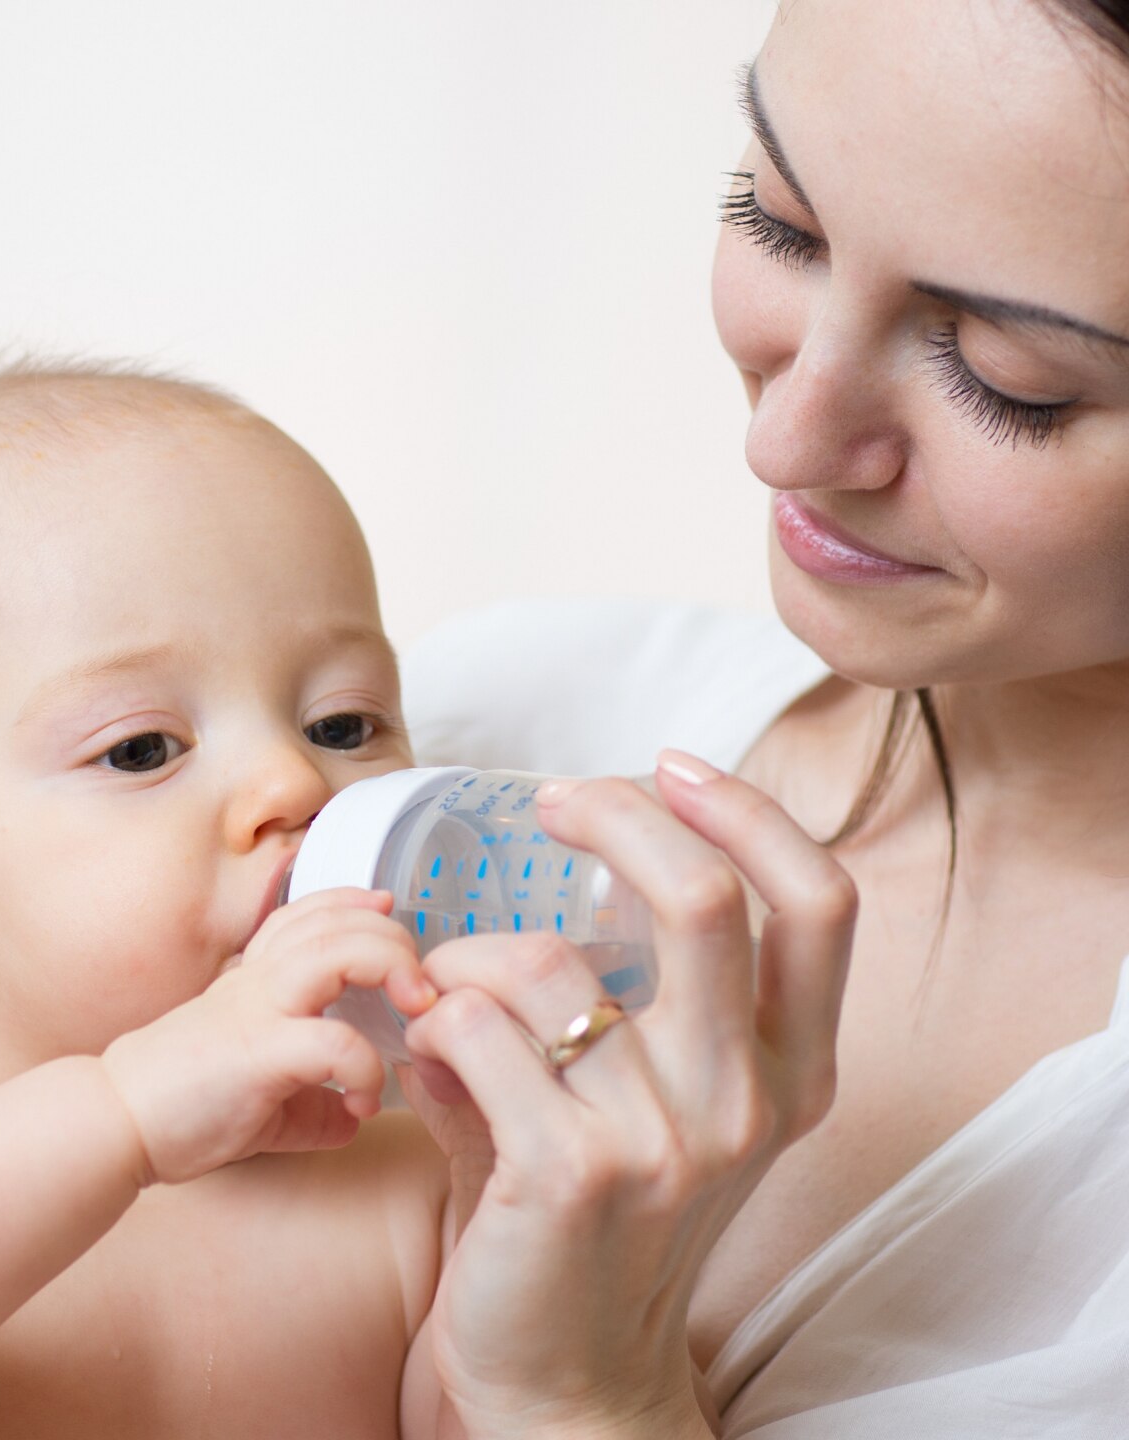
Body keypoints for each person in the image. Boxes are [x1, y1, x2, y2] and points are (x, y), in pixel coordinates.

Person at [391, 0, 1129, 1435]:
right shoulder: (483, 733)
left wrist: (581, 1397)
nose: (781, 441)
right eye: (778, 217)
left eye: (1007, 378)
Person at [0, 366, 468, 1439]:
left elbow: (532, 1397)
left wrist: (564, 1235)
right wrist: (125, 1111)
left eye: (341, 724)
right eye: (142, 749)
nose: (294, 786)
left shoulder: (412, 1175)